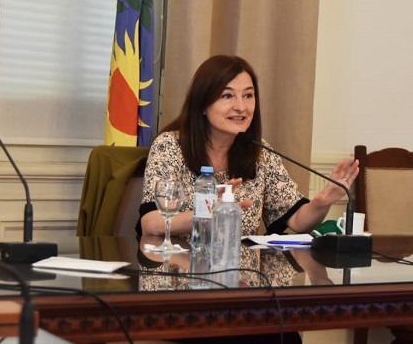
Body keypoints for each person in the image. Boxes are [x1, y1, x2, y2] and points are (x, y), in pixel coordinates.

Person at [137, 54, 359, 239]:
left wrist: (322, 202)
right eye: (227, 96)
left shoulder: (260, 152)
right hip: (180, 275)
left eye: (248, 95)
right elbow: (152, 223)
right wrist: (211, 212)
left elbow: (298, 220)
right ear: (203, 104)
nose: (241, 107)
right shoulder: (170, 146)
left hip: (242, 276)